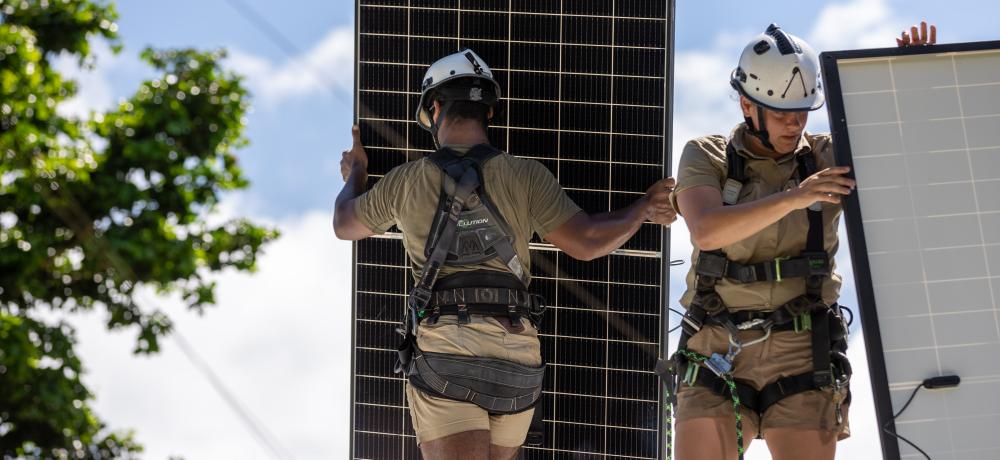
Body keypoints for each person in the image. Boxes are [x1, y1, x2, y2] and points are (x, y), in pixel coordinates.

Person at [333, 49, 677, 460]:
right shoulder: (526, 174)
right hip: (518, 360)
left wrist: (356, 174)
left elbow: (344, 225)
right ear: (489, 112)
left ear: (436, 107)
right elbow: (586, 242)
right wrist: (642, 209)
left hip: (448, 353)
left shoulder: (405, 182)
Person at [667, 22, 937, 460]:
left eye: (802, 113)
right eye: (780, 114)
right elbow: (707, 229)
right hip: (715, 341)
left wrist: (913, 77)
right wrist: (799, 196)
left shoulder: (830, 157)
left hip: (802, 345)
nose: (794, 124)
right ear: (746, 105)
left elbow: (909, 156)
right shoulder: (707, 154)